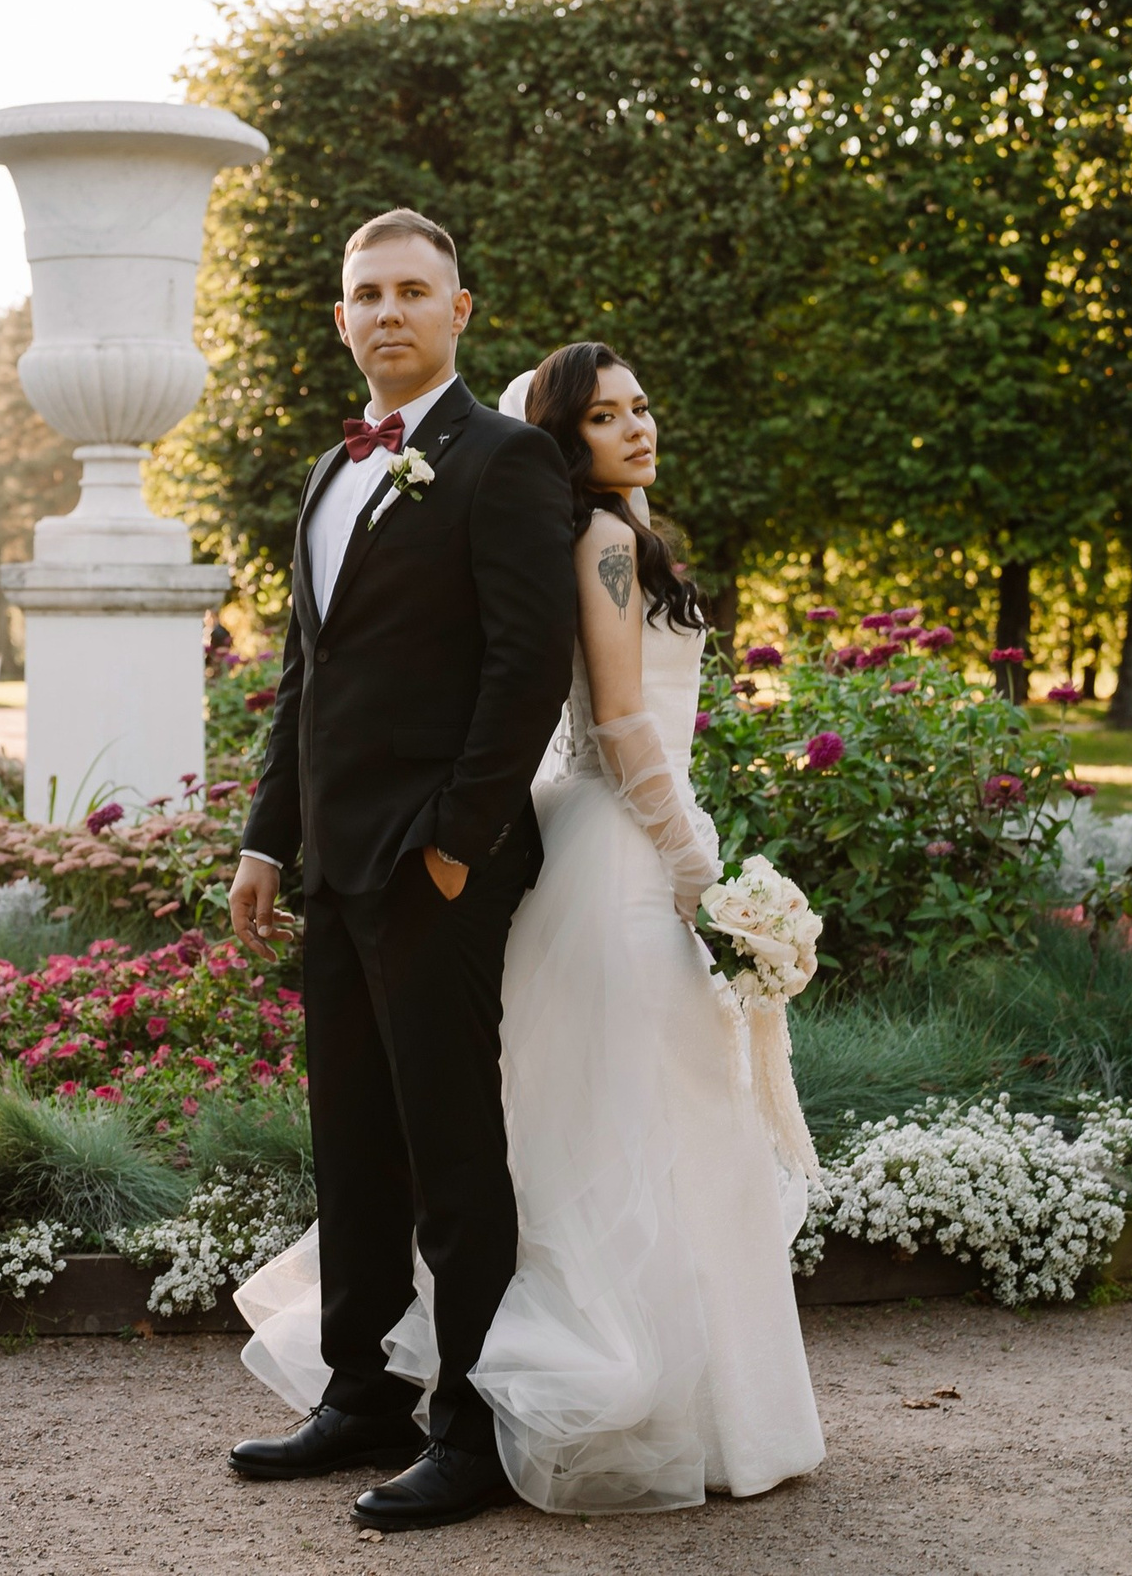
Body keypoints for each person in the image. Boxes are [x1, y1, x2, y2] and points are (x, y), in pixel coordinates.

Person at [237, 341, 825, 1515]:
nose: (638, 429)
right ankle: (584, 1392)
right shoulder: (603, 545)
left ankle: (606, 1395)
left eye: (643, 408)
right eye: (608, 417)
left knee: (593, 1118)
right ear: (566, 438)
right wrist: (698, 862)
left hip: (587, 843)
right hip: (615, 848)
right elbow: (617, 722)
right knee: (606, 1124)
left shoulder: (615, 539)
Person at [225, 209, 577, 1531]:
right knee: (356, 1143)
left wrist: (453, 840)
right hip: (335, 868)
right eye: (366, 292)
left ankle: (472, 1422)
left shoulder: (505, 460)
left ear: (460, 311)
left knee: (452, 1153)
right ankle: (360, 1390)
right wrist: (270, 835)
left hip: (439, 866)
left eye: (412, 291)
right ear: (339, 317)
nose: (387, 311)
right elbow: (307, 676)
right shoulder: (330, 472)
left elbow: (527, 666)